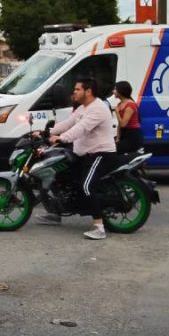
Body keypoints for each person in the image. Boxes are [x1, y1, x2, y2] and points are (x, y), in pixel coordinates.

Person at [36, 78, 117, 240]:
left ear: (88, 91)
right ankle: (55, 213)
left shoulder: (98, 109)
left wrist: (61, 138)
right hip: (82, 154)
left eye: (77, 89)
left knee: (86, 186)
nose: (74, 92)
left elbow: (81, 128)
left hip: (100, 154)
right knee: (58, 177)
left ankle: (99, 227)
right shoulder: (82, 108)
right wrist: (46, 132)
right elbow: (67, 124)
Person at [113, 81, 143, 153]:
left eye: (115, 89)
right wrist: (118, 137)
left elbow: (123, 124)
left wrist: (117, 112)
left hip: (131, 135)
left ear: (121, 91)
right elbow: (119, 125)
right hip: (124, 134)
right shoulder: (120, 104)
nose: (113, 91)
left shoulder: (130, 105)